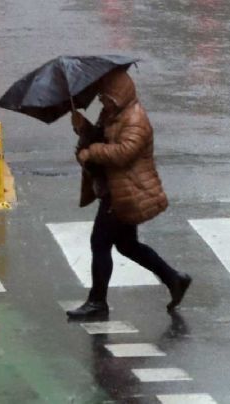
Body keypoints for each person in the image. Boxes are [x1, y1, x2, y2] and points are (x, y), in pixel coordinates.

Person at [66, 68, 191, 318]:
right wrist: (85, 130)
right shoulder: (112, 114)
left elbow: (124, 152)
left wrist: (92, 152)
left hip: (125, 191)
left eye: (105, 96)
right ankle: (173, 279)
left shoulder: (135, 119)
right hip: (116, 189)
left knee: (100, 242)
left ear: (118, 95)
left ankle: (97, 302)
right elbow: (102, 140)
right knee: (126, 245)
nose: (101, 100)